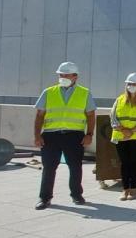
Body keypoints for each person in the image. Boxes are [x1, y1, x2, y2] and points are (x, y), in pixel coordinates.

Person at [33, 61, 96, 209]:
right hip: (50, 136)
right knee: (49, 167)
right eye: (60, 74)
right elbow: (39, 115)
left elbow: (91, 115)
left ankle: (76, 194)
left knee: (75, 166)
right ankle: (44, 198)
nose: (62, 77)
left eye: (66, 75)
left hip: (74, 136)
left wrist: (89, 134)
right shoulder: (49, 92)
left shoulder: (84, 93)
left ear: (75, 76)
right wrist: (37, 135)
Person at [110, 73, 136, 200]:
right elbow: (113, 117)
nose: (131, 86)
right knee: (124, 162)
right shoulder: (120, 99)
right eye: (129, 84)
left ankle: (134, 188)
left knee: (134, 162)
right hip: (121, 135)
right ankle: (125, 189)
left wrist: (132, 131)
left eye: (134, 84)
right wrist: (123, 130)